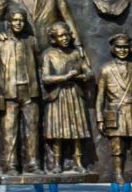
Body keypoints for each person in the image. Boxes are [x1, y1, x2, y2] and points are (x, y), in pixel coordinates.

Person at [0, 6, 41, 177]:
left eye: (21, 20)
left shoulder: (31, 41)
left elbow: (39, 65)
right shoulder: (0, 43)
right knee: (9, 129)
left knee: (32, 128)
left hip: (30, 91)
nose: (18, 23)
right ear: (9, 22)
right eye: (15, 20)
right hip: (9, 92)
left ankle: (32, 163)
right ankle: (10, 164)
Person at [97, 33, 132, 192]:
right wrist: (99, 118)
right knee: (117, 147)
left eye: (125, 47)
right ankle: (118, 173)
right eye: (119, 47)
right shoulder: (106, 69)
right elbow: (100, 96)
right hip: (116, 112)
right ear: (114, 49)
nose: (122, 50)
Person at [40, 22, 94, 178]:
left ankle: (78, 163)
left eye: (67, 35)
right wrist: (65, 77)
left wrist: (81, 77)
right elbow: (45, 78)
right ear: (54, 38)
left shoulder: (76, 53)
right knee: (58, 131)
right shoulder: (49, 54)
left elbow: (89, 72)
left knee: (77, 130)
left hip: (74, 94)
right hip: (58, 95)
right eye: (60, 36)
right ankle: (57, 163)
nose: (64, 38)